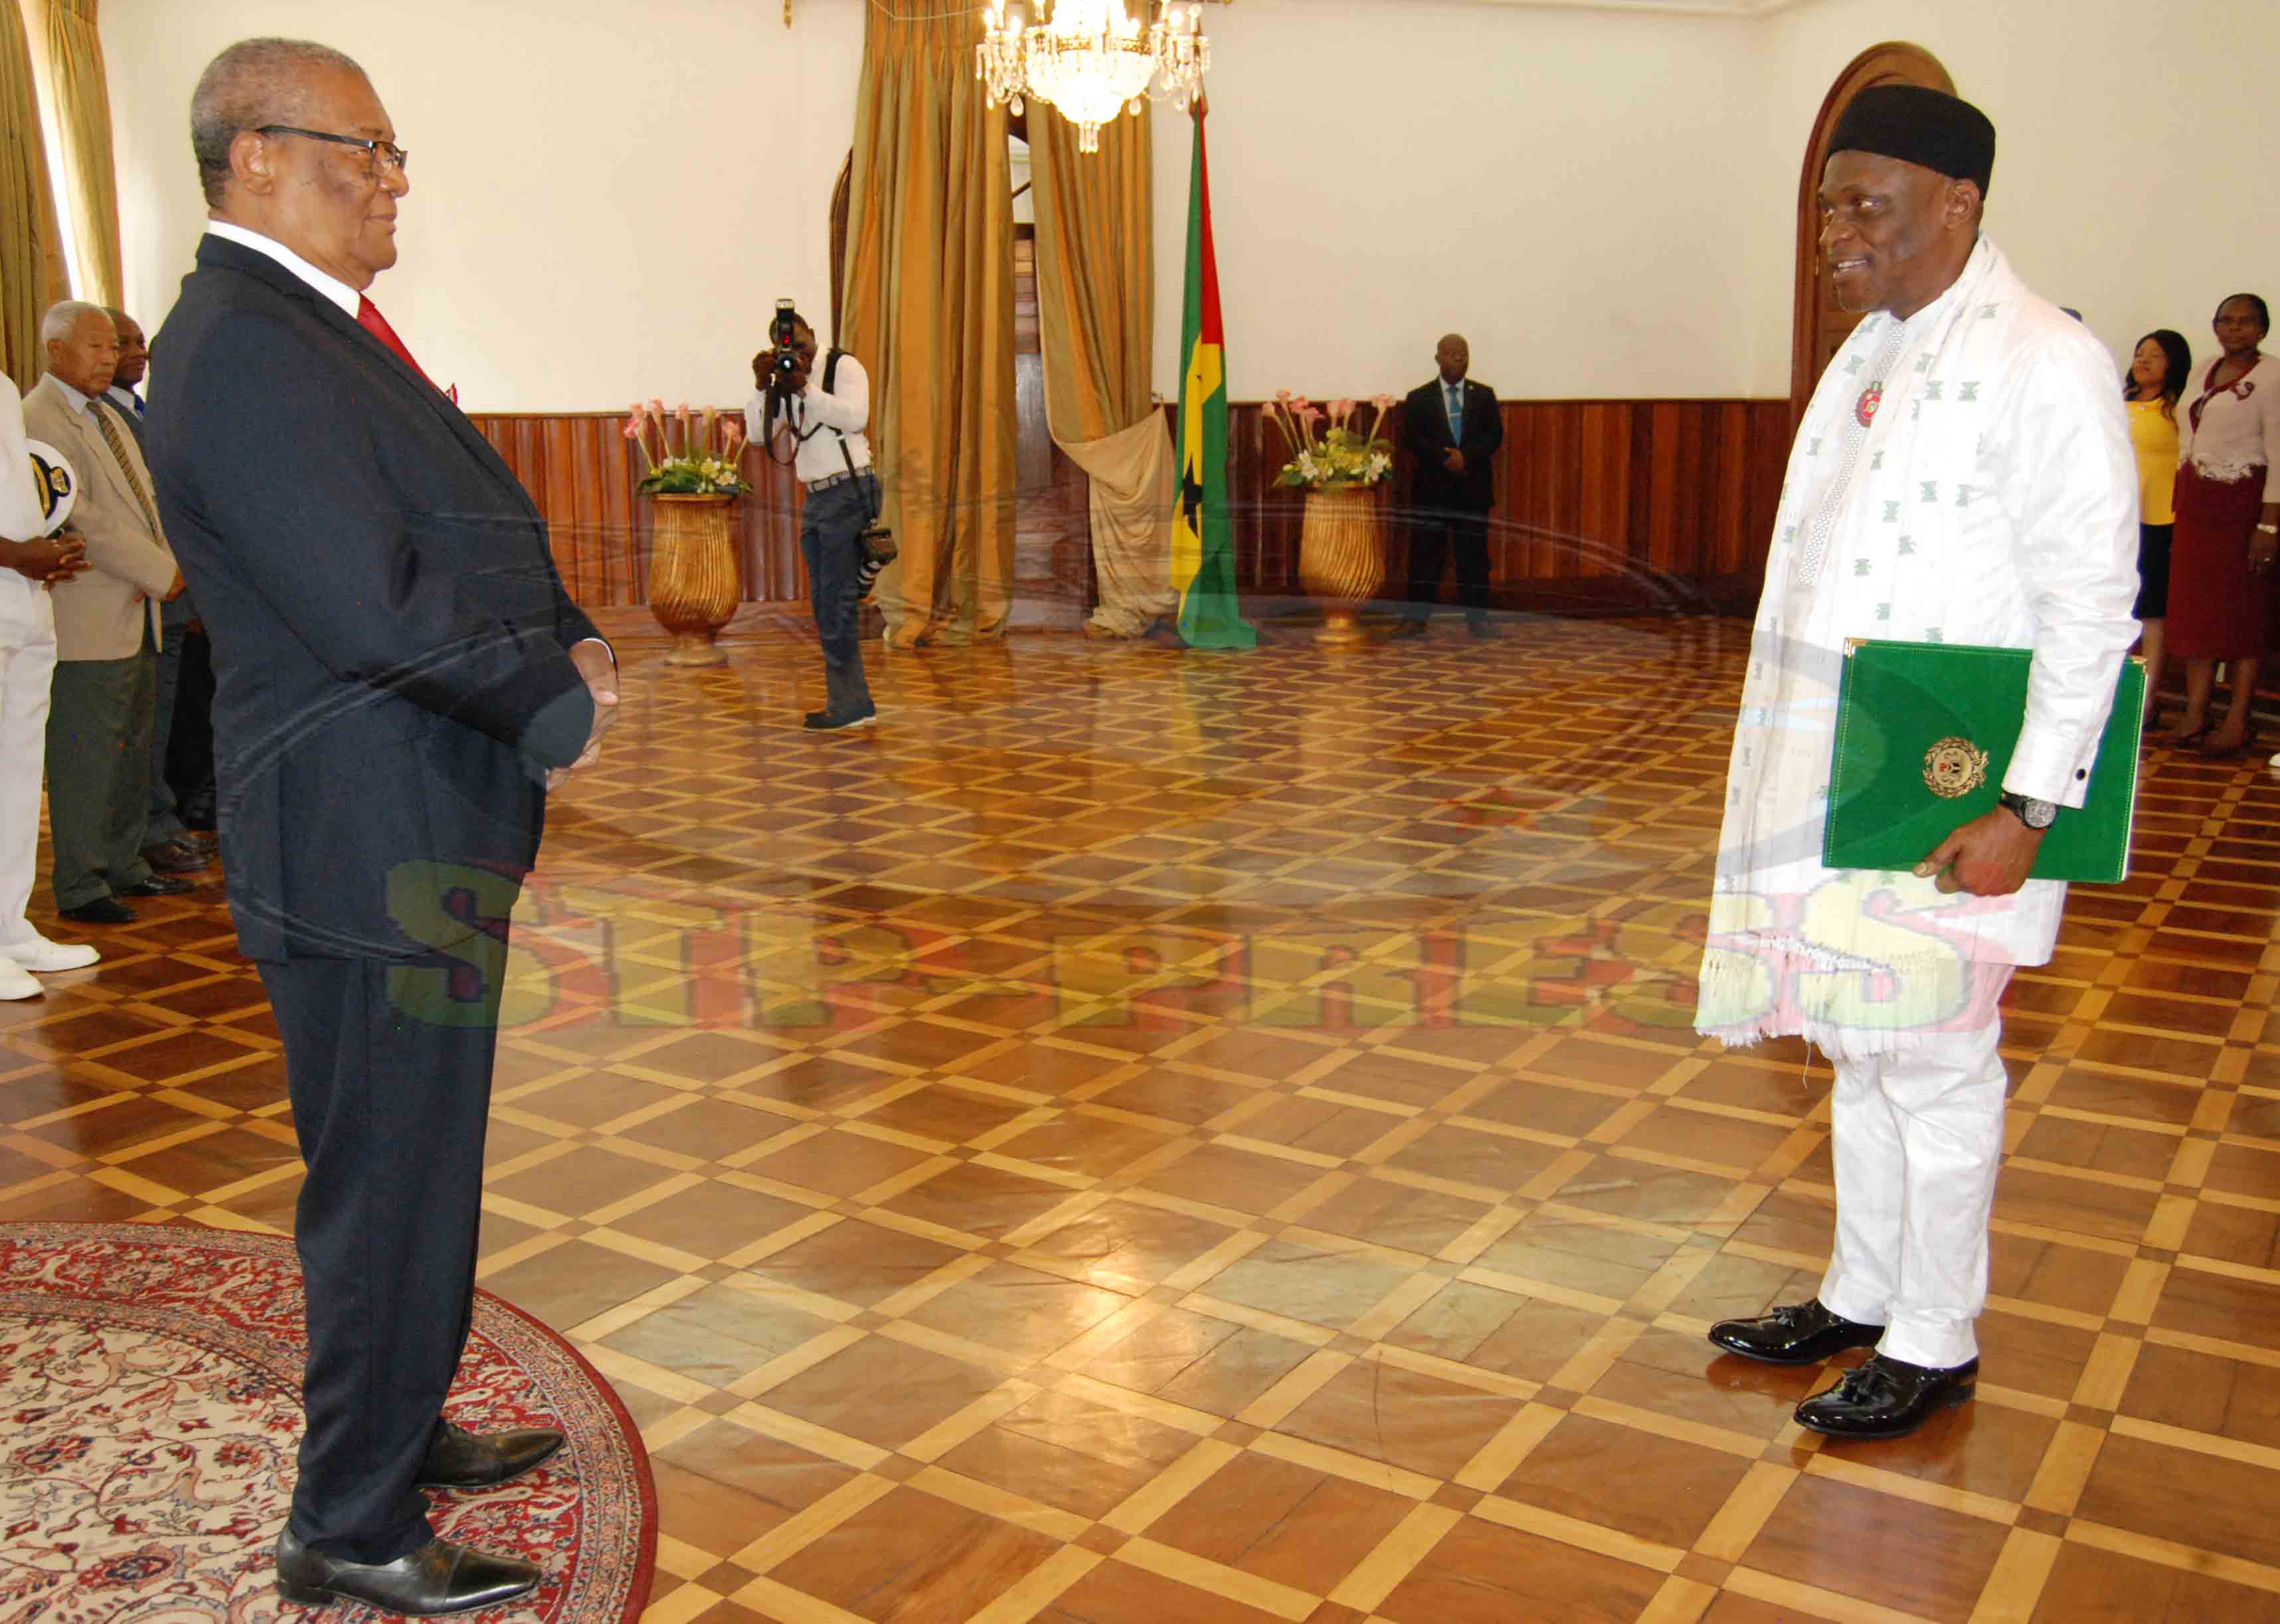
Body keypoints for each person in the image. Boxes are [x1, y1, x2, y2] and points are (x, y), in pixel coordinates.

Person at [144, 37, 618, 1615]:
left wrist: (566, 623)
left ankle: (400, 1428)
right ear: (255, 156)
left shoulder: (309, 326)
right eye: (366, 147)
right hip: (359, 844)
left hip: (409, 824)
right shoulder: (241, 342)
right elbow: (368, 598)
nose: (392, 178)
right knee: (381, 1189)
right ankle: (346, 1522)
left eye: (394, 149)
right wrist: (550, 702)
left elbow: (456, 524)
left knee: (421, 1167)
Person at [1694, 86, 2138, 1440]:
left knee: (1938, 1060)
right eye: (1826, 204)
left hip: (1956, 799)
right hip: (1839, 780)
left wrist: (2029, 808)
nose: (1833, 231)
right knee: (1864, 1047)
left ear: (1957, 203)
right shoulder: (1870, 352)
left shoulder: (2043, 358)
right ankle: (1862, 1291)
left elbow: (2091, 610)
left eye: (1863, 204)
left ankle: (1935, 1336)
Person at [22, 302, 196, 926]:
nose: (110, 357)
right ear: (55, 351)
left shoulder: (108, 414)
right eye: (94, 346)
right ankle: (82, 882)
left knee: (129, 753)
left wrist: (171, 564)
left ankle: (124, 864)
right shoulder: (39, 418)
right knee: (87, 757)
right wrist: (162, 571)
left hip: (137, 609)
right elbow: (81, 519)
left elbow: (147, 503)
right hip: (89, 615)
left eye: (112, 347)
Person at [101, 305, 215, 877]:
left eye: (137, 341)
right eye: (119, 343)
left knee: (166, 721)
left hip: (175, 591)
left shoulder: (140, 411)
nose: (134, 353)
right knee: (145, 725)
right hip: (140, 593)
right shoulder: (99, 418)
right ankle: (147, 829)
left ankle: (163, 820)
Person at [0, 379, 97, 999]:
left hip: (25, 605)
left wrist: (50, 550)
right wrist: (15, 554)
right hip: (10, 577)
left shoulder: (3, 386)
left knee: (15, 779)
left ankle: (9, 927)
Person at [2160, 294, 2279, 756]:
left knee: (2243, 615)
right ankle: (2195, 712)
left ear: (2263, 328)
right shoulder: (2204, 368)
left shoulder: (2272, 377)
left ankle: (2237, 718)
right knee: (2197, 612)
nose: (2235, 329)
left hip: (2244, 507)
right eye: (2226, 321)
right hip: (2197, 505)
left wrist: (2268, 527)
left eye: (2246, 322)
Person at [746, 318, 877, 729]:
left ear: (813, 337)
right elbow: (758, 435)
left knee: (836, 601)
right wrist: (762, 386)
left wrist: (806, 388)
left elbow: (855, 419)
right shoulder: (782, 380)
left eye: (801, 346)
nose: (796, 356)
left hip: (849, 490)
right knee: (825, 603)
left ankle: (849, 704)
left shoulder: (843, 367)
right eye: (788, 350)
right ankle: (853, 700)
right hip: (817, 497)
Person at [1393, 333, 1504, 638]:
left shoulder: (1484, 395)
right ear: (1438, 358)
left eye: (1464, 353)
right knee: (1425, 557)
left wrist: (1466, 456)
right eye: (1452, 353)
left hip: (1473, 490)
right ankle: (1415, 621)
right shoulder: (1419, 398)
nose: (1459, 358)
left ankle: (1478, 622)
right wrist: (1445, 458)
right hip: (1433, 491)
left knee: (1474, 560)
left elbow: (1494, 436)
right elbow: (1412, 439)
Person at [2124, 329, 2190, 727]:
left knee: (2151, 613)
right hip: (2118, 519)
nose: (2143, 360)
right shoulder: (2119, 403)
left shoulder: (2178, 409)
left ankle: (2146, 700)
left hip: (2160, 520)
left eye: (2155, 355)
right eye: (2139, 352)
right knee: (2118, 607)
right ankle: (2113, 693)